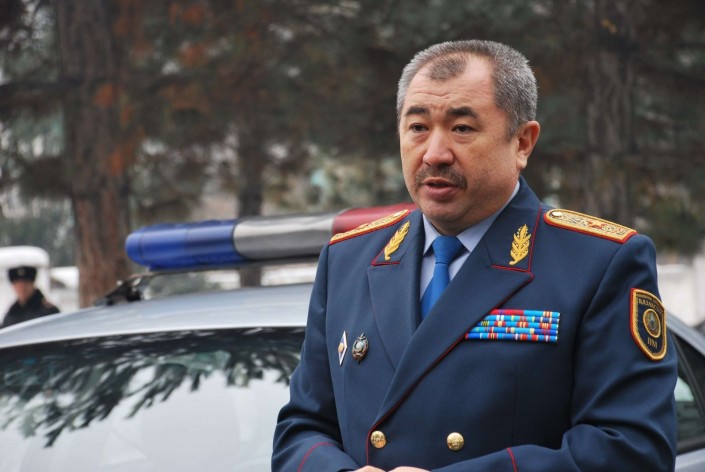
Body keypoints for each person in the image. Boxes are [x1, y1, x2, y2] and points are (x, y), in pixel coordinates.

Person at [272, 40, 677, 471]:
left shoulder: (598, 263)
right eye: (418, 127)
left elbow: (632, 450)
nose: (434, 154)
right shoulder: (348, 259)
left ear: (522, 143)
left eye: (462, 129)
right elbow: (302, 429)